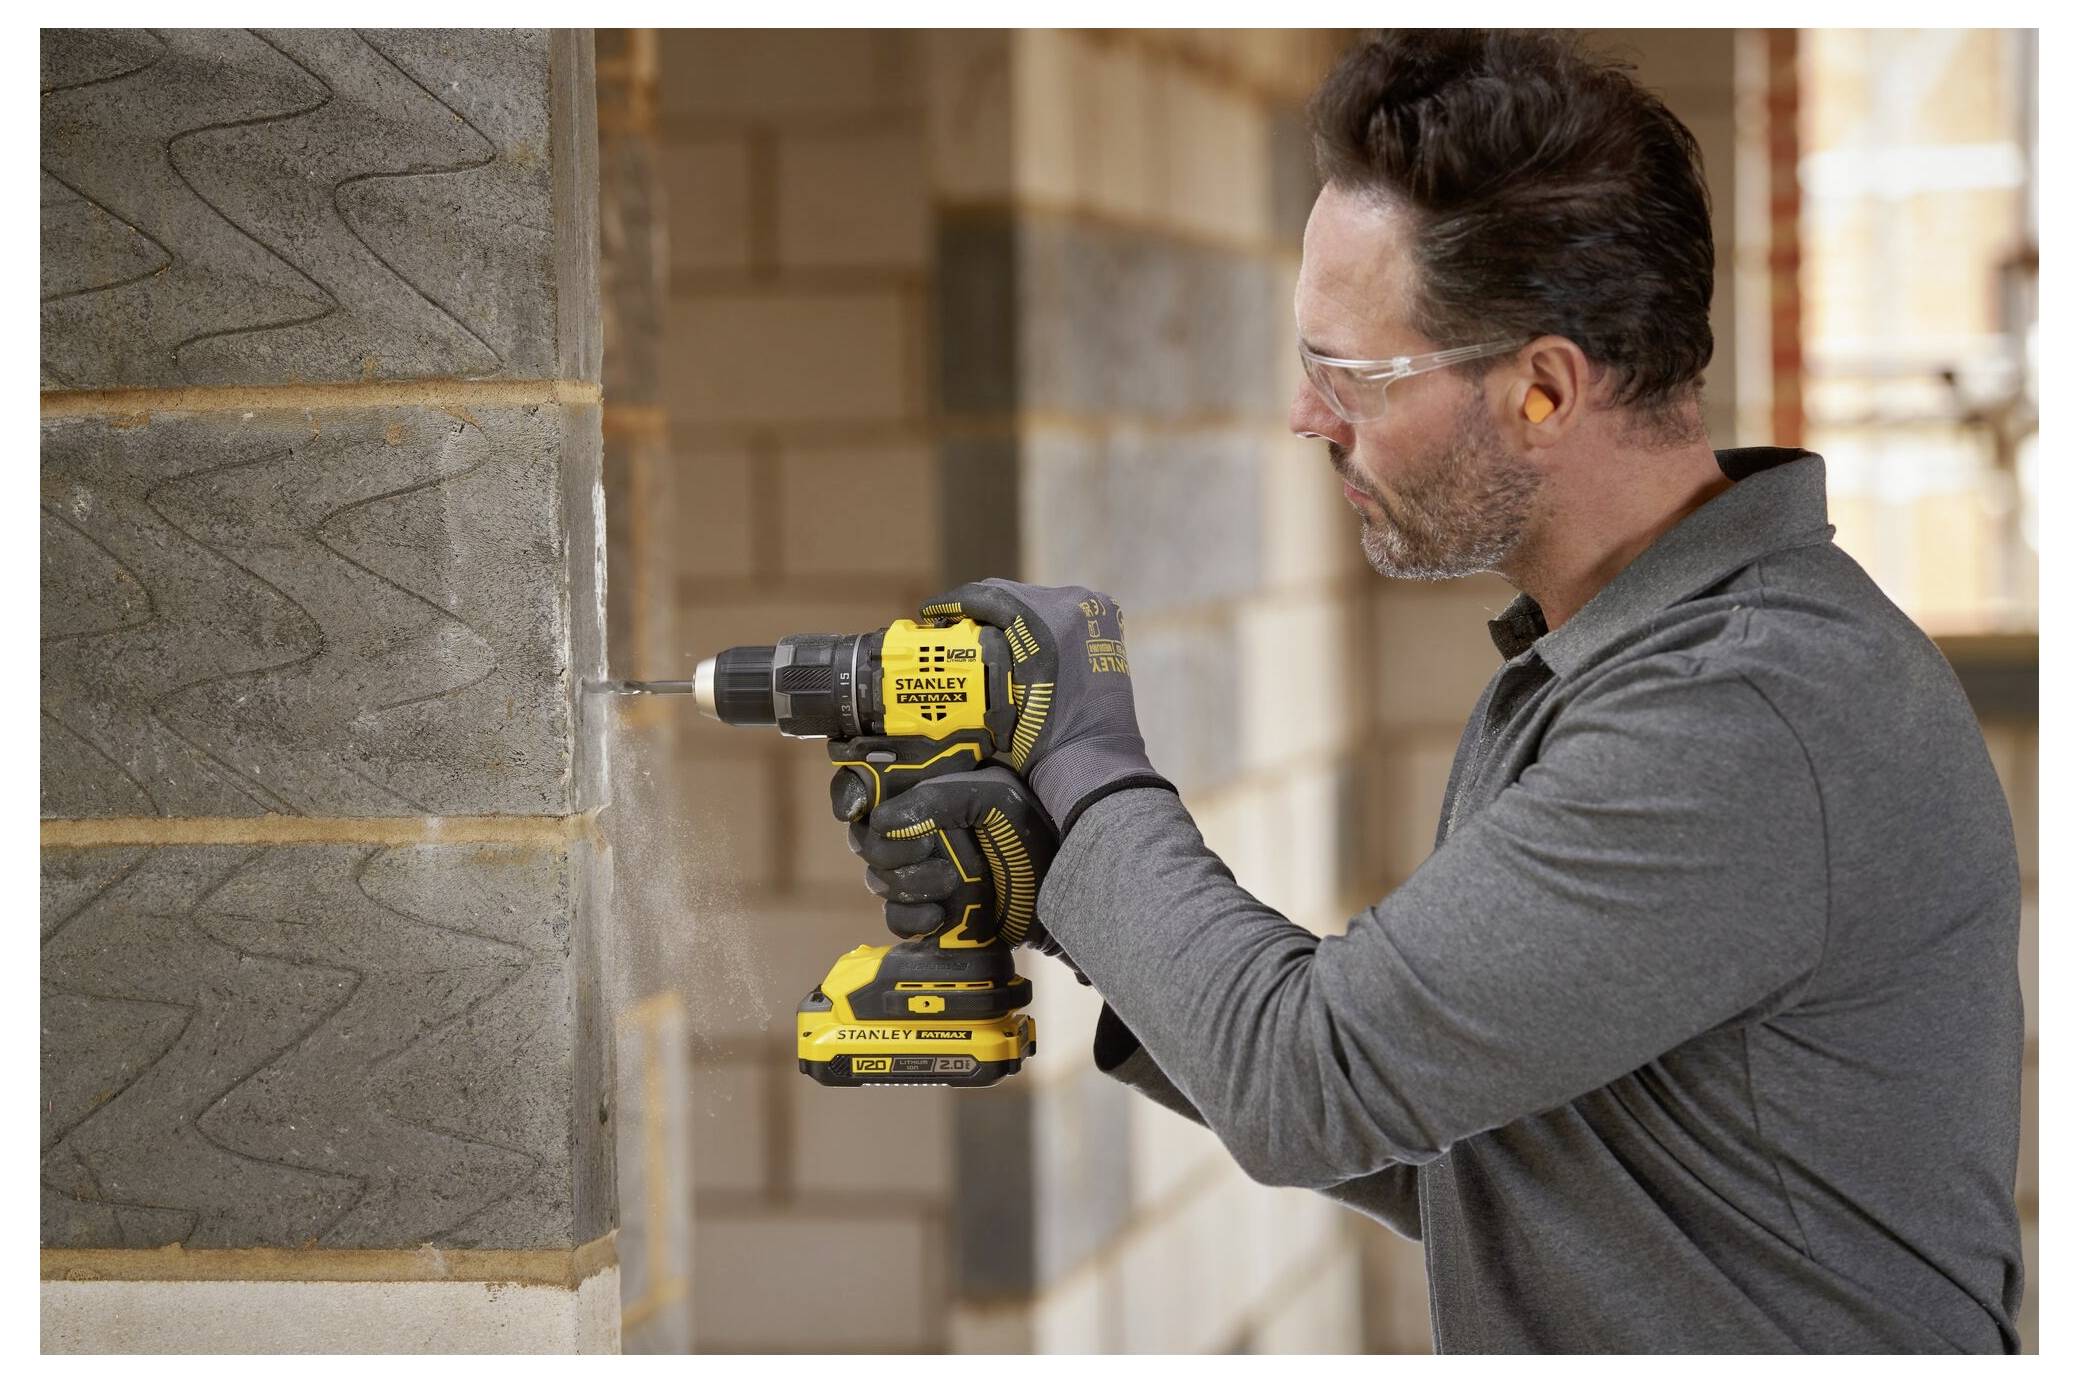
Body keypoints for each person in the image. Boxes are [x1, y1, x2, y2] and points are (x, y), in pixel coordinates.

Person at [829, 29, 2024, 1352]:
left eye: (1351, 374)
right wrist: (1063, 885)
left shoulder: (1742, 714)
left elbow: (1313, 1078)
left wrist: (1089, 763)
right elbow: (1480, 1145)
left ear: (1544, 389)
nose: (1306, 415)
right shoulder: (1616, 664)